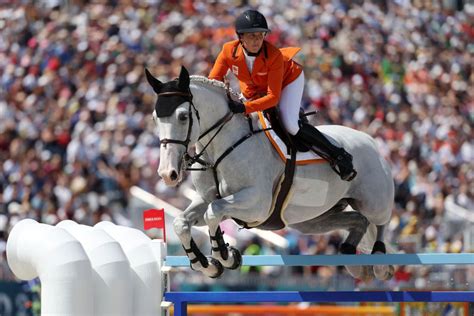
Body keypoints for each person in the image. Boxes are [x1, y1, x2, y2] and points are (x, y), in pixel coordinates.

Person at [209, 9, 356, 181]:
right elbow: (213, 80)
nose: (257, 40)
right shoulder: (228, 51)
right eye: (251, 35)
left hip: (289, 79)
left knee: (290, 124)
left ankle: (338, 154)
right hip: (254, 87)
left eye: (260, 35)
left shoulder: (273, 55)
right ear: (240, 37)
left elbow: (272, 98)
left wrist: (244, 107)